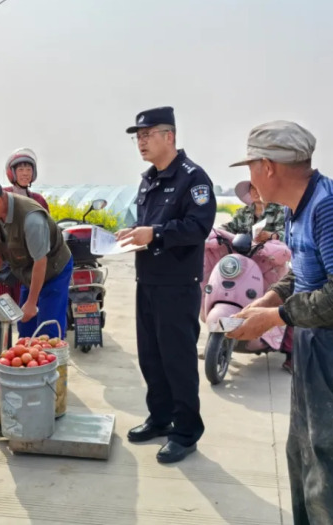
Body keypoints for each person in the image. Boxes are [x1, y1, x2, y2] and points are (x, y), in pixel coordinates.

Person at [226, 120, 333, 524]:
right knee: (306, 461)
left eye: (250, 166)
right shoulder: (298, 209)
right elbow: (304, 274)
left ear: (268, 166)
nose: (250, 177)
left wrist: (275, 317)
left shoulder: (331, 206)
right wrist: (267, 301)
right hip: (322, 345)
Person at [116, 107, 216, 464]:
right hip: (148, 281)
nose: (141, 142)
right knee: (151, 357)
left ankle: (185, 432)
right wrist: (134, 234)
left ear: (169, 136)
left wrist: (155, 234)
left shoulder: (193, 178)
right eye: (138, 137)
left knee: (178, 360)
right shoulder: (149, 179)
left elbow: (198, 227)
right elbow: (150, 225)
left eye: (147, 135)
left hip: (177, 285)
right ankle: (159, 418)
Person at [0, 174, 72, 340]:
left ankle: (53, 356)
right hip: (28, 270)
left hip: (54, 269)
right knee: (25, 325)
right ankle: (28, 355)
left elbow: (40, 261)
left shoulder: (32, 219)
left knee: (48, 330)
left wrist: (32, 302)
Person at [0, 148, 50, 350]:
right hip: (5, 264)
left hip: (27, 265)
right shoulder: (1, 196)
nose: (25, 173)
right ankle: (3, 352)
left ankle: (23, 351)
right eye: (21, 169)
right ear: (11, 173)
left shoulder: (38, 200)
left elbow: (46, 228)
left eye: (29, 169)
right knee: (1, 307)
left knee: (25, 308)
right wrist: (8, 241)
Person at [225, 180, 293, 373]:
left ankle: (291, 354)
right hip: (245, 264)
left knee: (284, 299)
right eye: (252, 189)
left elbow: (288, 234)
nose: (255, 192)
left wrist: (270, 236)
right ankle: (224, 336)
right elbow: (227, 229)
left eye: (258, 188)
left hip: (272, 264)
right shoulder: (243, 213)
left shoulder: (279, 211)